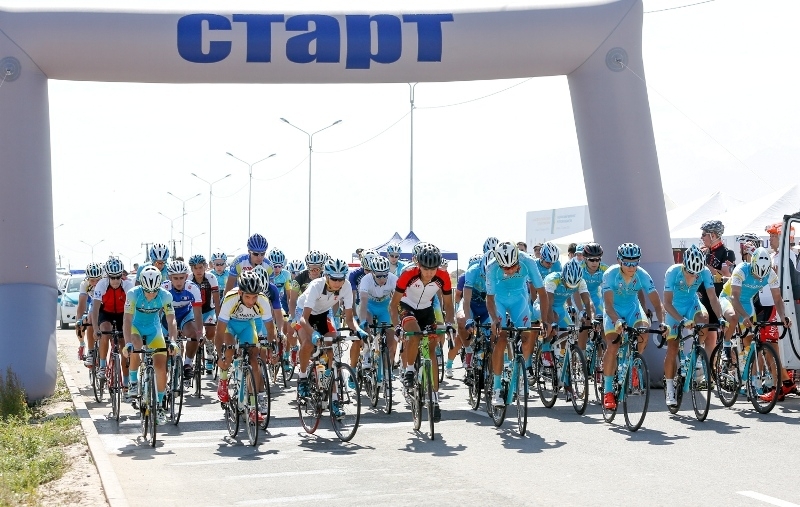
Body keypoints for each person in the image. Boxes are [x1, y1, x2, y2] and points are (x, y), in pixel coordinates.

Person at [718, 247, 793, 402]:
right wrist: (745, 316)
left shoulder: (770, 274)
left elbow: (777, 299)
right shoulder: (741, 269)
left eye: (762, 276)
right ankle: (726, 344)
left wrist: (783, 316)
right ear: (752, 265)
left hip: (746, 303)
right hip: (729, 298)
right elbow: (734, 296)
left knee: (752, 343)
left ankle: (751, 381)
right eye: (757, 274)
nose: (759, 278)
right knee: (734, 317)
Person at [390, 244, 454, 422]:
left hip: (426, 310)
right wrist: (397, 326)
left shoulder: (443, 276)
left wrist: (449, 324)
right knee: (416, 334)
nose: (429, 273)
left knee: (431, 350)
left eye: (433, 269)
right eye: (426, 269)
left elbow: (449, 305)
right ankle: (409, 370)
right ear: (418, 264)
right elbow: (392, 305)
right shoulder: (408, 274)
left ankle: (434, 398)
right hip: (406, 306)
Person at [293, 259, 365, 417]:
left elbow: (349, 318)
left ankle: (334, 400)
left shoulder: (346, 286)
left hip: (323, 314)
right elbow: (304, 319)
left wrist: (358, 330)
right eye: (334, 279)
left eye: (341, 279)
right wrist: (313, 333)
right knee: (307, 344)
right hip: (304, 313)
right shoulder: (316, 286)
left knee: (333, 352)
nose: (338, 283)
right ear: (326, 276)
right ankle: (303, 378)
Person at [601, 243, 665, 410]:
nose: (631, 266)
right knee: (613, 345)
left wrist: (663, 322)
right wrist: (616, 321)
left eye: (635, 262)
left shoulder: (642, 274)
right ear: (619, 261)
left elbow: (657, 304)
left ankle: (634, 363)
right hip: (613, 310)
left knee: (643, 330)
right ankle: (608, 391)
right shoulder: (610, 274)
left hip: (632, 309)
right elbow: (608, 306)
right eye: (627, 262)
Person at [662, 245, 725, 407]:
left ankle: (695, 352)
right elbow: (667, 303)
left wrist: (720, 318)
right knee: (672, 348)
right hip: (674, 308)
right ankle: (670, 388)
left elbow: (713, 298)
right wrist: (681, 320)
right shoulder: (673, 272)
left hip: (692, 304)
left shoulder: (705, 272)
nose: (694, 276)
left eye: (697, 273)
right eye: (691, 272)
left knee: (704, 318)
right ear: (684, 265)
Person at [215, 271, 276, 422]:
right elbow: (219, 331)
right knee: (229, 350)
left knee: (254, 361)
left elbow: (270, 329)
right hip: (230, 326)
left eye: (254, 297)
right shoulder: (230, 298)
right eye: (248, 297)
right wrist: (219, 355)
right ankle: (223, 381)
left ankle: (254, 408)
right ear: (240, 293)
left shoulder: (262, 300)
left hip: (248, 326)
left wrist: (273, 350)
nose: (251, 301)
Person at [122, 265, 178, 425]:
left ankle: (159, 405)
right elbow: (127, 319)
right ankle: (133, 381)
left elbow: (171, 320)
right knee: (136, 347)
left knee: (160, 366)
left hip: (154, 329)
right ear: (142, 285)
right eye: (148, 291)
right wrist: (127, 343)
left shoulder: (165, 296)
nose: (151, 294)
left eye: (155, 291)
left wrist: (172, 340)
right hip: (136, 327)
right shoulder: (133, 294)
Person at [90, 258, 135, 388]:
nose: (115, 280)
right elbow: (95, 308)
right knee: (105, 331)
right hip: (106, 313)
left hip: (123, 314)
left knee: (123, 345)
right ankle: (102, 367)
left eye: (118, 277)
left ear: (122, 275)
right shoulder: (101, 284)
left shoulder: (128, 286)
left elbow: (133, 310)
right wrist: (95, 329)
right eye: (112, 277)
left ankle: (125, 382)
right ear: (108, 276)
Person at [698, 220, 735, 354]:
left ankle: (730, 361)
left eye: (704, 234)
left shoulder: (727, 253)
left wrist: (706, 267)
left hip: (719, 297)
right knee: (708, 337)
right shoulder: (703, 253)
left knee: (725, 337)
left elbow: (726, 275)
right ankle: (709, 366)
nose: (702, 237)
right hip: (704, 297)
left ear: (713, 235)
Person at [161, 260, 203, 379]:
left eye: (181, 278)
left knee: (193, 334)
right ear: (170, 277)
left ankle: (188, 364)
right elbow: (157, 312)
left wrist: (199, 333)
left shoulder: (192, 288)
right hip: (168, 315)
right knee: (164, 347)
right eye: (175, 278)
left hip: (185, 314)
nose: (179, 282)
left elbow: (198, 313)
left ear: (186, 276)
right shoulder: (163, 288)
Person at [358, 255, 399, 372]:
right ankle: (366, 353)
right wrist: (363, 322)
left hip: (385, 307)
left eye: (385, 275)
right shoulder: (366, 280)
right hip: (369, 306)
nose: (382, 278)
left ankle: (387, 371)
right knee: (367, 325)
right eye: (379, 276)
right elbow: (363, 302)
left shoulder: (393, 279)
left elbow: (398, 301)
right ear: (372, 273)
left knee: (391, 339)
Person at [187, 254, 220, 374]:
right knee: (194, 335)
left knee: (211, 332)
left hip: (208, 310)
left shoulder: (211, 277)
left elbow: (216, 300)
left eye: (200, 267)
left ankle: (210, 355)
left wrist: (219, 317)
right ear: (191, 269)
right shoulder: (188, 279)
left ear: (205, 266)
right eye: (195, 268)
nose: (198, 270)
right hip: (193, 310)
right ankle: (190, 361)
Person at [78, 262, 104, 367]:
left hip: (106, 303)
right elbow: (82, 304)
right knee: (90, 319)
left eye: (98, 280)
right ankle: (91, 352)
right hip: (94, 303)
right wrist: (79, 320)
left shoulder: (106, 281)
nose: (95, 283)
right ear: (87, 279)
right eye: (92, 280)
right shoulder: (85, 284)